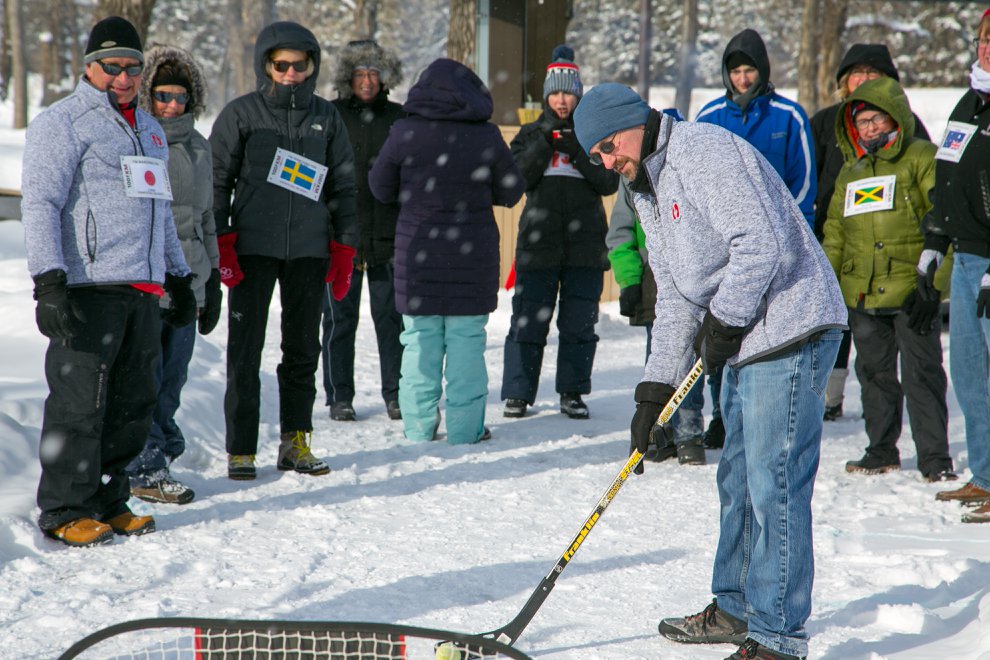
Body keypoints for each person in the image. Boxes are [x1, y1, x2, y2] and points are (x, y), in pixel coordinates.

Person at [574, 83, 845, 660]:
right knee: (738, 480)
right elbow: (674, 295)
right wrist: (653, 392)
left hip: (791, 322)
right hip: (751, 335)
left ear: (630, 122)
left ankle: (777, 637)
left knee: (774, 486)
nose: (605, 161)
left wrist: (723, 320)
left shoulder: (701, 151)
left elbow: (759, 244)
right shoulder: (645, 183)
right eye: (595, 155)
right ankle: (736, 606)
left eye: (605, 146)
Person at [21, 16, 196, 546]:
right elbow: (42, 204)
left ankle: (107, 496)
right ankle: (63, 508)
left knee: (132, 400)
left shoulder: (148, 128)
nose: (123, 76)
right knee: (81, 403)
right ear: (89, 67)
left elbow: (159, 209)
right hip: (86, 286)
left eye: (132, 67)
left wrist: (179, 276)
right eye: (112, 66)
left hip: (140, 288)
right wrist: (48, 279)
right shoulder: (63, 123)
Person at [210, 21, 358, 480]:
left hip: (309, 252)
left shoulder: (327, 118)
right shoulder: (241, 114)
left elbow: (344, 185)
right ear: (266, 65)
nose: (291, 72)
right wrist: (223, 240)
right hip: (252, 249)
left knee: (302, 350)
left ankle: (296, 442)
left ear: (312, 66)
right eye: (281, 64)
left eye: (300, 64)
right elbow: (216, 180)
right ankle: (241, 449)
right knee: (245, 350)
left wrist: (343, 247)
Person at [369, 58, 525, 444]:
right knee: (466, 345)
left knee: (419, 343)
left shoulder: (405, 131)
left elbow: (379, 187)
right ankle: (464, 429)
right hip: (471, 257)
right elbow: (511, 190)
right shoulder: (485, 135)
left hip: (417, 254)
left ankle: (419, 429)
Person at [822, 77, 955, 482]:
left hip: (913, 292)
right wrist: (829, 290)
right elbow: (836, 233)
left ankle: (934, 457)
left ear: (896, 116)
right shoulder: (852, 172)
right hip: (862, 294)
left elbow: (945, 219)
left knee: (923, 374)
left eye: (877, 119)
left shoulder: (921, 157)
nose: (870, 128)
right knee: (874, 375)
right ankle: (881, 448)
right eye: (862, 122)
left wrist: (936, 285)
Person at [694, 28, 817, 450]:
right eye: (735, 71)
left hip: (781, 249)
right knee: (725, 330)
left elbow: (804, 186)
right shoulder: (710, 117)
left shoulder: (789, 116)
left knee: (769, 335)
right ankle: (722, 415)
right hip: (727, 249)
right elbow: (697, 183)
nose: (742, 79)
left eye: (749, 70)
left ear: (762, 71)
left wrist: (788, 242)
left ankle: (767, 415)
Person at [811, 43, 931, 421]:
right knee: (840, 333)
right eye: (855, 74)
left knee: (901, 354)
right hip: (839, 240)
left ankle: (922, 438)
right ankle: (830, 398)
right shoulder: (826, 123)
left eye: (872, 75)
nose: (862, 81)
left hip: (897, 260)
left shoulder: (913, 137)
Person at [500, 44, 619, 421]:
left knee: (579, 325)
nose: (562, 100)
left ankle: (572, 393)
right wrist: (545, 140)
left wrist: (578, 150)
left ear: (579, 93)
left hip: (584, 249)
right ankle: (518, 394)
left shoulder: (593, 134)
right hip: (538, 248)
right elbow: (517, 179)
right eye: (555, 92)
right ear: (546, 95)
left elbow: (607, 182)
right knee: (527, 323)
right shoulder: (529, 132)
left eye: (568, 92)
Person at [125, 44, 220, 505]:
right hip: (149, 280)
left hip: (192, 282)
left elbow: (206, 218)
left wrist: (214, 277)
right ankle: (145, 465)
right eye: (163, 95)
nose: (172, 105)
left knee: (173, 380)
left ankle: (158, 453)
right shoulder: (137, 139)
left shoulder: (199, 146)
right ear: (148, 96)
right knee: (147, 378)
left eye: (181, 97)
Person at [922, 7, 990, 524]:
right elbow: (948, 175)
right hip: (965, 257)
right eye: (985, 40)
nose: (986, 49)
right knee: (969, 375)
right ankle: (986, 475)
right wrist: (934, 240)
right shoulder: (969, 102)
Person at [322, 39, 405, 423]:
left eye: (374, 72)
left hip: (390, 237)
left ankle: (396, 393)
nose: (367, 81)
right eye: (359, 73)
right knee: (340, 320)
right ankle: (340, 395)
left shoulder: (401, 118)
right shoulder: (330, 115)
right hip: (342, 238)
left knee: (392, 320)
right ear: (347, 77)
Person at [607, 176, 707, 466]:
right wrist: (629, 280)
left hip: (694, 272)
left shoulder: (684, 169)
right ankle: (660, 428)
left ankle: (690, 432)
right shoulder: (629, 179)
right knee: (664, 353)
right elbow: (620, 233)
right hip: (654, 276)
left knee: (697, 356)